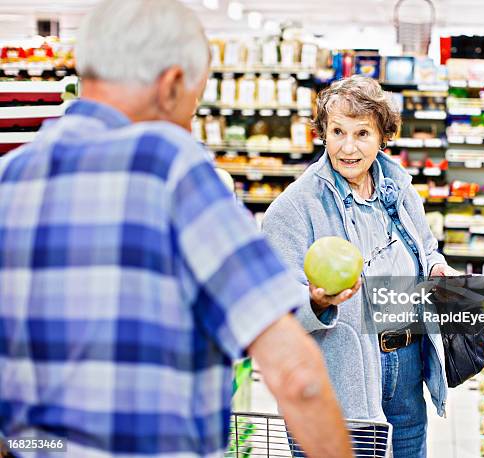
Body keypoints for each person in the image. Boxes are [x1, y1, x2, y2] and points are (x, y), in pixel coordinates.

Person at [0, 1, 355, 457]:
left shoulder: (11, 178)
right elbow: (295, 373)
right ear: (170, 85)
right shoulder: (169, 166)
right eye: (193, 101)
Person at [263, 75, 460, 458]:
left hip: (406, 367)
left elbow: (428, 250)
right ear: (323, 133)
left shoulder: (399, 191)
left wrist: (437, 271)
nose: (347, 147)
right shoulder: (294, 209)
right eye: (337, 131)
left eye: (362, 133)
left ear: (382, 137)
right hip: (341, 378)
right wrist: (316, 302)